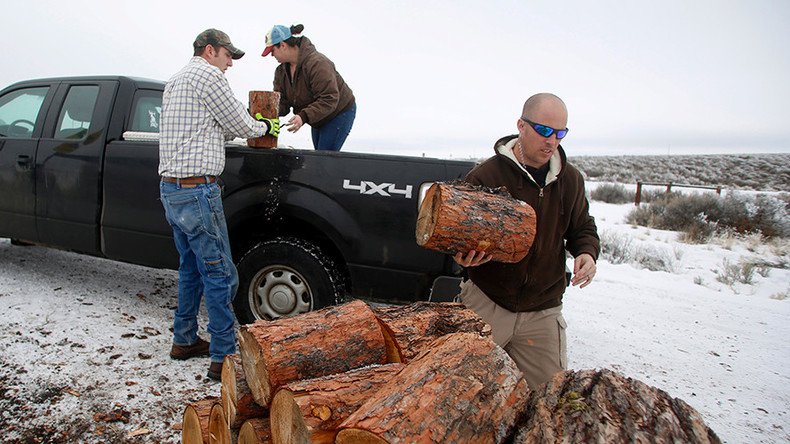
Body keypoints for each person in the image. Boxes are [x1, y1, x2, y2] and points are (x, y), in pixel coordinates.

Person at [453, 93, 600, 390]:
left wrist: (586, 252)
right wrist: (461, 256)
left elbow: (582, 226)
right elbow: (458, 234)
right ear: (521, 125)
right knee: (461, 392)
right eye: (544, 130)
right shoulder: (485, 176)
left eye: (560, 133)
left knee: (549, 399)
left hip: (543, 310)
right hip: (487, 301)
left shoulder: (570, 179)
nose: (552, 141)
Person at [159, 28, 280, 381]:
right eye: (228, 55)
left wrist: (242, 127)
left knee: (190, 269)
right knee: (219, 274)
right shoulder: (209, 76)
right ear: (210, 50)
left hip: (172, 190)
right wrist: (266, 125)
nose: (230, 63)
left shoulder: (176, 80)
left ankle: (183, 340)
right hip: (198, 191)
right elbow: (240, 123)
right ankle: (223, 355)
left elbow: (213, 127)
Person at [261, 24, 356, 151]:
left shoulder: (318, 63)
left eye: (272, 51)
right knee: (319, 155)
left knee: (324, 158)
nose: (272, 56)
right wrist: (263, 113)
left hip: (339, 112)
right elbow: (282, 102)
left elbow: (329, 98)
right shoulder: (281, 71)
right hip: (318, 116)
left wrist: (303, 116)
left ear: (283, 45)